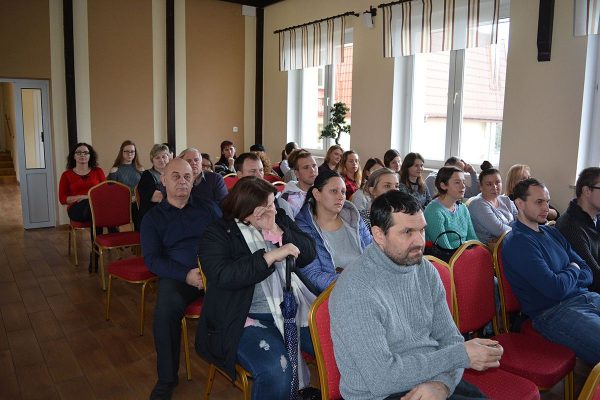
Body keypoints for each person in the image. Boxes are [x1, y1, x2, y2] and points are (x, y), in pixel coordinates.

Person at [330, 190, 501, 400]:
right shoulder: (356, 289)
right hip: (381, 393)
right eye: (407, 232)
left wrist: (443, 385)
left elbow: (451, 340)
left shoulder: (424, 269)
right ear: (379, 235)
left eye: (422, 230)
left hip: (432, 376)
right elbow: (382, 379)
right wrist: (459, 356)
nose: (419, 241)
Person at [195, 176, 317, 400]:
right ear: (247, 210)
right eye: (266, 206)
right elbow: (223, 276)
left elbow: (308, 253)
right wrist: (269, 257)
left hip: (291, 309)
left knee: (335, 343)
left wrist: (276, 230)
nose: (273, 209)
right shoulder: (219, 232)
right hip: (243, 316)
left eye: (272, 203)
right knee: (276, 370)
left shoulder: (277, 218)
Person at [141, 158, 222, 400]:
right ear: (163, 180)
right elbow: (152, 260)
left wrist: (211, 271)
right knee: (165, 311)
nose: (182, 181)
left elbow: (225, 240)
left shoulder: (209, 209)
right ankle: (166, 379)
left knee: (247, 290)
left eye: (187, 176)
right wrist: (186, 275)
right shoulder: (152, 219)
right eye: (175, 176)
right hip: (178, 277)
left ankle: (238, 359)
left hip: (213, 273)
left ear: (193, 180)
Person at [502, 178, 600, 366]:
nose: (546, 207)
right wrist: (573, 268)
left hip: (586, 298)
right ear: (520, 203)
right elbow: (555, 289)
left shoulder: (551, 232)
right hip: (555, 313)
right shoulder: (518, 242)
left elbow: (588, 272)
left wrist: (567, 275)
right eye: (539, 202)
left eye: (547, 201)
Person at [295, 170, 372, 294]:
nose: (341, 197)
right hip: (336, 295)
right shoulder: (303, 227)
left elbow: (373, 252)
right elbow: (312, 275)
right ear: (317, 194)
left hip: (368, 286)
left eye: (343, 192)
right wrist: (356, 283)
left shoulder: (353, 218)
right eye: (334, 191)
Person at [58, 143, 106, 271]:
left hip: (94, 207)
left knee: (95, 212)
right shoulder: (66, 175)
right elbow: (63, 199)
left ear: (90, 156)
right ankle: (109, 235)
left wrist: (88, 198)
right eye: (79, 152)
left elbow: (105, 191)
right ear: (74, 156)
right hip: (76, 209)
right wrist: (83, 197)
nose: (82, 155)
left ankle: (95, 253)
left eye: (86, 152)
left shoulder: (98, 171)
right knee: (95, 210)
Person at [556, 167, 600, 293]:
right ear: (587, 191)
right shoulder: (570, 227)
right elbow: (594, 277)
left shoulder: (595, 219)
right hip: (587, 295)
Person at [424, 166, 477, 250]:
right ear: (443, 186)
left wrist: (478, 251)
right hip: (446, 256)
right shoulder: (433, 211)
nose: (463, 186)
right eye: (457, 182)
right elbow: (445, 248)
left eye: (463, 182)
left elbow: (473, 239)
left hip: (464, 253)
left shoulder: (463, 208)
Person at [235, 152, 295, 219]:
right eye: (252, 171)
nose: (259, 175)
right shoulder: (234, 200)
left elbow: (285, 221)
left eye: (261, 170)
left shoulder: (270, 195)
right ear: (240, 175)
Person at [468, 167, 517, 245]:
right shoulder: (478, 204)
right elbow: (499, 230)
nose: (495, 187)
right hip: (486, 248)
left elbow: (521, 221)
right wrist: (520, 232)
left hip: (508, 242)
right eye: (489, 184)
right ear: (481, 186)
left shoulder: (506, 200)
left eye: (497, 182)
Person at [107, 140, 144, 230]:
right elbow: (111, 193)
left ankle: (140, 235)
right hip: (121, 202)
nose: (129, 154)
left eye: (132, 151)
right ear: (121, 152)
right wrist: (128, 198)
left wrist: (136, 197)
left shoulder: (140, 169)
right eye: (126, 151)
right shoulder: (115, 170)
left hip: (137, 201)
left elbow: (143, 188)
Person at [138, 144, 169, 224]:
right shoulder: (147, 175)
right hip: (152, 217)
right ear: (152, 160)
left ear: (168, 158)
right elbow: (159, 197)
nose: (161, 160)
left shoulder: (173, 174)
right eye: (157, 157)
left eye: (164, 157)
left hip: (169, 213)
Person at [281, 150, 318, 217]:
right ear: (297, 174)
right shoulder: (290, 199)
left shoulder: (322, 188)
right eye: (306, 167)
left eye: (314, 165)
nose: (312, 170)